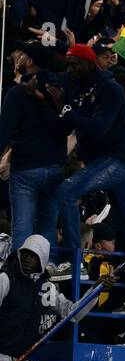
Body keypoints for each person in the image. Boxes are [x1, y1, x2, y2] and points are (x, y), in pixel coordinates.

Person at [45, 44, 125, 319]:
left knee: (66, 192)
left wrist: (65, 108)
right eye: (68, 64)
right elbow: (54, 79)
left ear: (89, 64)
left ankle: (74, 261)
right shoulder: (78, 84)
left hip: (121, 160)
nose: (69, 69)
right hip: (113, 161)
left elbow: (96, 129)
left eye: (74, 64)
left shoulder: (111, 89)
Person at [0, 42, 67, 247]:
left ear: (29, 61)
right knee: (47, 227)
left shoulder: (17, 93)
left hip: (26, 169)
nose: (17, 58)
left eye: (22, 55)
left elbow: (4, 131)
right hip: (55, 166)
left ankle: (20, 268)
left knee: (22, 227)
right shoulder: (59, 89)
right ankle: (48, 265)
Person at [0, 236, 91, 361]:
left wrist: (96, 290)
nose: (27, 259)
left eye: (33, 256)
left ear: (42, 259)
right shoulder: (5, 279)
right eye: (25, 254)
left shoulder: (46, 287)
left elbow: (72, 313)